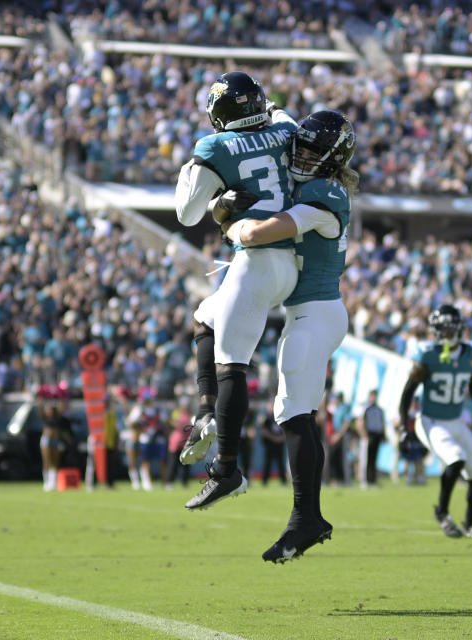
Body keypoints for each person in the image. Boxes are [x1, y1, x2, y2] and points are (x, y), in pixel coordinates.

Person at [198, 110, 358, 561]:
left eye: (312, 150)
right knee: (287, 408)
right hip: (305, 311)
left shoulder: (326, 193)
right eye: (299, 146)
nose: (302, 155)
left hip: (318, 314)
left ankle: (307, 519)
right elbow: (279, 116)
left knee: (292, 411)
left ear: (331, 158)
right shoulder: (310, 183)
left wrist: (225, 220)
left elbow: (259, 234)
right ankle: (304, 516)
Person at [175, 71, 299, 510]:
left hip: (255, 262)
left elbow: (187, 214)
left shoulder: (214, 146)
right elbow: (284, 118)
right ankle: (206, 411)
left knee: (232, 365)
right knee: (204, 316)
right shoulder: (287, 130)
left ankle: (227, 470)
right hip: (294, 261)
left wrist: (215, 204)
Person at [398, 304, 472, 539]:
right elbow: (408, 392)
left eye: (447, 329)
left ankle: (469, 525)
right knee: (456, 458)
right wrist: (402, 426)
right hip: (430, 420)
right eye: (440, 329)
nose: (443, 334)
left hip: (455, 421)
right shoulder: (428, 354)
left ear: (458, 329)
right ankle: (442, 513)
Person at [357, 389, 386, 488]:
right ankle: (364, 480)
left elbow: (381, 423)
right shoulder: (366, 408)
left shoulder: (379, 409)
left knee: (373, 459)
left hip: (376, 435)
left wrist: (383, 435)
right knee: (365, 459)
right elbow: (360, 422)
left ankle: (372, 479)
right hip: (368, 435)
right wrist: (365, 435)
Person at [258, 405, 287, 486]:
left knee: (281, 463)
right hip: (270, 444)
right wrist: (273, 438)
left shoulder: (282, 417)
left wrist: (281, 438)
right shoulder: (266, 417)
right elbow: (263, 430)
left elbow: (286, 429)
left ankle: (283, 481)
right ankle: (265, 481)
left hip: (279, 444)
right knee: (268, 463)